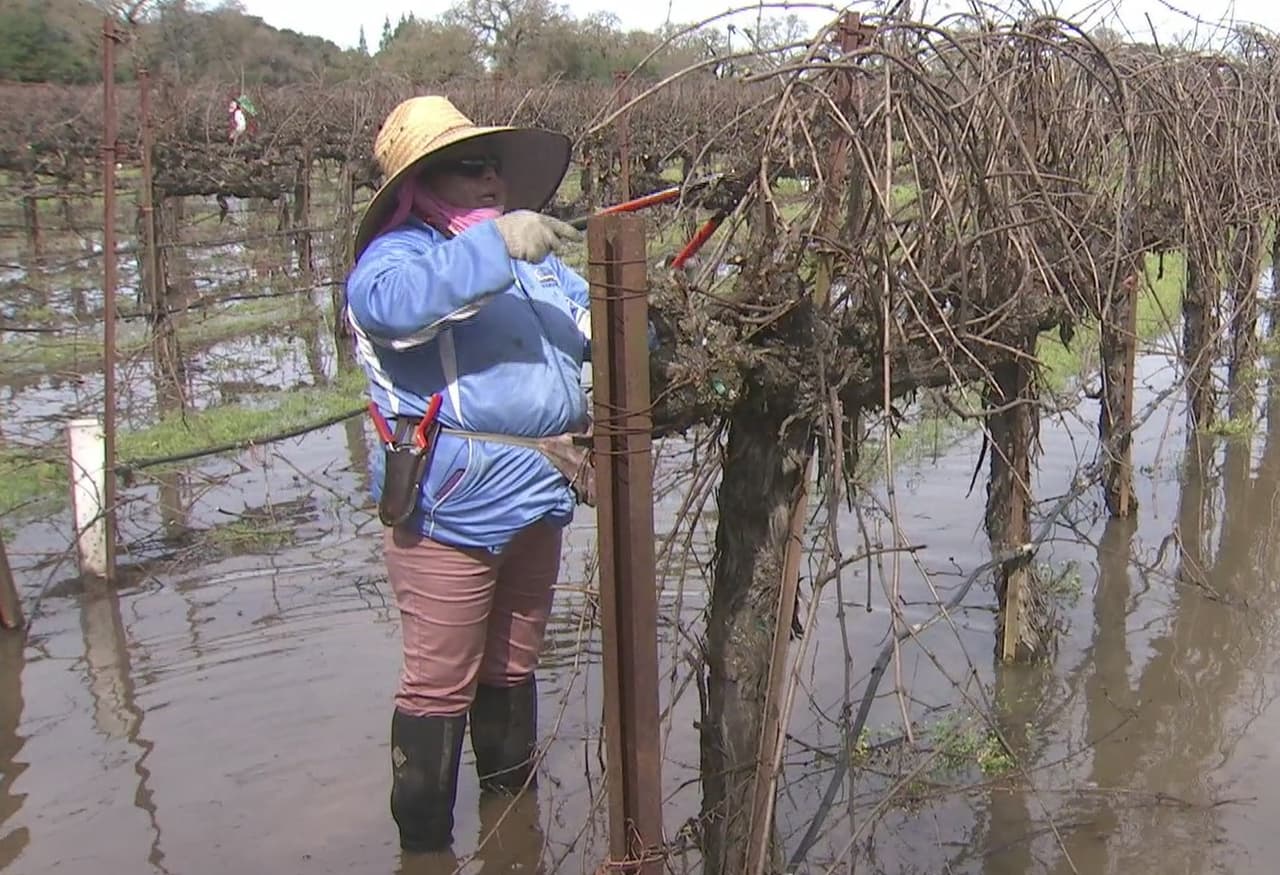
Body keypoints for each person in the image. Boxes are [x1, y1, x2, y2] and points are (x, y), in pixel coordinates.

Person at [343, 94, 592, 856]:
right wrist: (494, 246)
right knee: (437, 687)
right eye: (466, 166)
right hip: (451, 510)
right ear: (420, 184)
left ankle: (512, 831)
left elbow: (591, 319)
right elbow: (390, 307)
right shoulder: (399, 259)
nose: (489, 179)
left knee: (513, 668)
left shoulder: (536, 265)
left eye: (493, 166)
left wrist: (644, 317)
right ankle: (424, 852)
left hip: (537, 497)